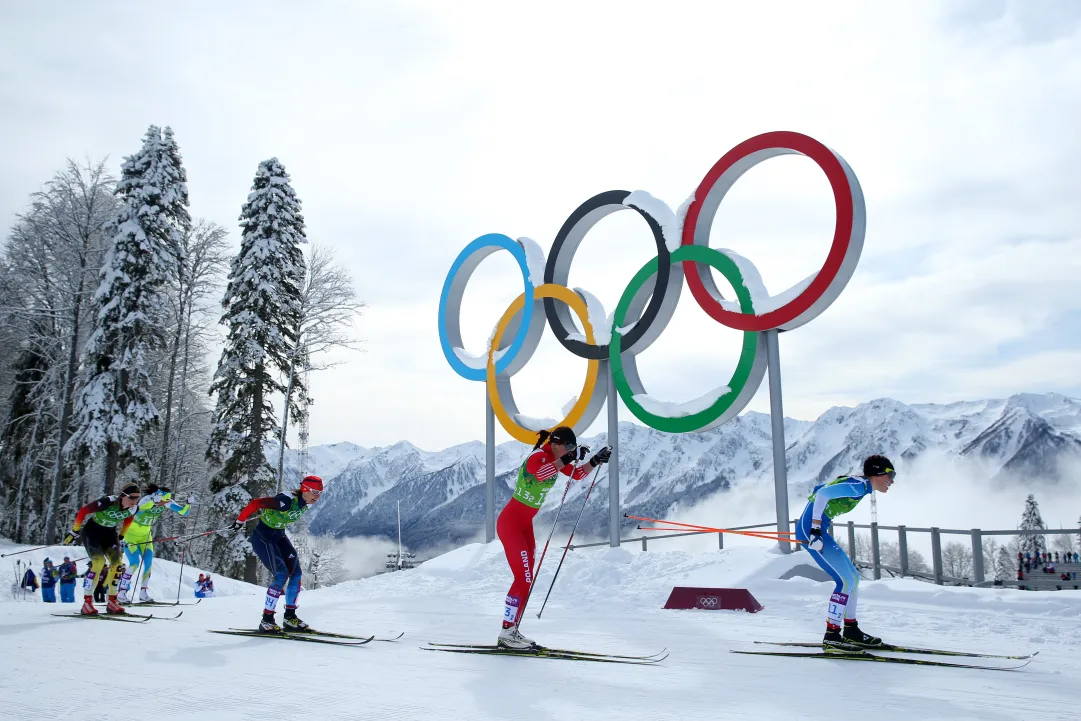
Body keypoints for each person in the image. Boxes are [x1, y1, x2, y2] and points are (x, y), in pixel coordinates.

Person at [495, 426, 611, 650]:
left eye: (571, 448)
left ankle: (512, 629)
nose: (568, 451)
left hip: (524, 525)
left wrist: (595, 460)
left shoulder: (557, 457)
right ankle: (506, 633)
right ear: (555, 444)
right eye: (566, 447)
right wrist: (569, 456)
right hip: (510, 524)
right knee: (522, 578)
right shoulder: (538, 457)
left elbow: (577, 474)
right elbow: (541, 474)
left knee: (526, 580)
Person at [795, 454, 896, 652]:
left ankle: (851, 630)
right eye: (890, 475)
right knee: (846, 581)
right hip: (812, 531)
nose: (892, 481)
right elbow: (823, 494)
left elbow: (820, 491)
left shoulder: (860, 486)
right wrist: (815, 530)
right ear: (877, 473)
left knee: (854, 578)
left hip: (816, 530)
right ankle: (832, 636)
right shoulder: (858, 486)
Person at [232, 475, 324, 632]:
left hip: (279, 535)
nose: (318, 496)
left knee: (296, 574)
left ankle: (290, 618)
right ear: (304, 489)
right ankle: (267, 619)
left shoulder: (306, 502)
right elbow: (256, 503)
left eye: (320, 492)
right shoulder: (285, 501)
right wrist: (240, 521)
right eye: (315, 492)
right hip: (263, 538)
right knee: (281, 574)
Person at [63, 483, 142, 615]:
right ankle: (87, 603)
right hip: (92, 532)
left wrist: (121, 536)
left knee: (117, 564)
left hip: (109, 534)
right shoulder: (108, 502)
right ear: (123, 496)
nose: (134, 501)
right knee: (99, 563)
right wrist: (74, 531)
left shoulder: (133, 509)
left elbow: (128, 520)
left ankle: (112, 601)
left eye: (137, 498)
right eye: (132, 498)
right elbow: (83, 511)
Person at [117, 484, 193, 603]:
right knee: (135, 563)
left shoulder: (166, 502)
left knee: (148, 563)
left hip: (145, 537)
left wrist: (188, 503)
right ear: (158, 496)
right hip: (130, 536)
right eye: (164, 500)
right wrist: (153, 501)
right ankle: (121, 592)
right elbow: (138, 509)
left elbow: (185, 512)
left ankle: (143, 592)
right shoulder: (147, 499)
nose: (165, 503)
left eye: (167, 500)